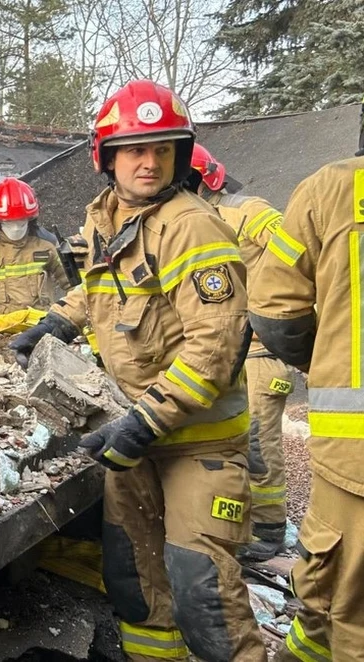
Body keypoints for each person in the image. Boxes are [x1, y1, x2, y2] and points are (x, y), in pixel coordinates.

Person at [10, 80, 265, 661]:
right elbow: (104, 292)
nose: (149, 162)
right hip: (133, 437)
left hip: (194, 444)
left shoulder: (191, 226)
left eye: (162, 149)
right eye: (134, 150)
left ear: (179, 154)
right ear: (107, 156)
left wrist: (145, 420)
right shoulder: (106, 217)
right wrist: (55, 325)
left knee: (202, 590)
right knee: (134, 584)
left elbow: (216, 347)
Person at [248, 152, 364, 661]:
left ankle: (269, 531)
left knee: (339, 594)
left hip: (353, 446)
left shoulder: (332, 188)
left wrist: (326, 362)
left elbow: (275, 312)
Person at [190, 142, 293, 561]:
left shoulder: (246, 210)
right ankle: (239, 523)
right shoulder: (188, 220)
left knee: (258, 442)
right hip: (222, 353)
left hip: (261, 352)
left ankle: (269, 530)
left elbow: (295, 251)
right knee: (227, 441)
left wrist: (275, 309)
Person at [0, 177, 71, 313]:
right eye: (9, 223)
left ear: (31, 219)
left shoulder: (47, 244)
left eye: (21, 222)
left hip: (40, 326)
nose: (16, 228)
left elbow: (73, 284)